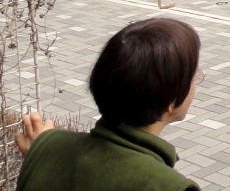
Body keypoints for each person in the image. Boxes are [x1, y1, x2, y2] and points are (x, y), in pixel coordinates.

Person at [14, 18, 202, 191]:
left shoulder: (47, 148)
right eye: (194, 75)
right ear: (170, 99)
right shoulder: (170, 186)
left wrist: (42, 155)